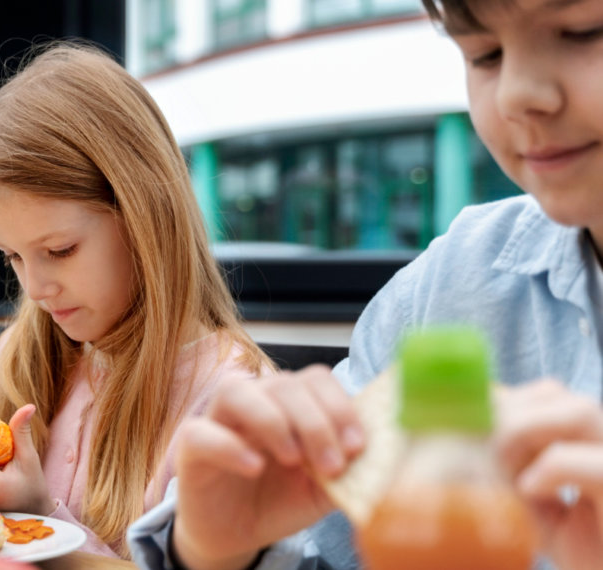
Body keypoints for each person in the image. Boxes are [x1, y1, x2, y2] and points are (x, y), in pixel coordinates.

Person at [127, 0, 603, 568]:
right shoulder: (451, 286)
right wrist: (218, 549)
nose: (514, 96)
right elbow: (323, 547)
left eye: (585, 32)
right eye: (485, 55)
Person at [0, 42, 274, 558]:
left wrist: (37, 514)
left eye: (59, 250)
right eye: (13, 257)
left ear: (146, 215)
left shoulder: (232, 403)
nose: (35, 288)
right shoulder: (16, 359)